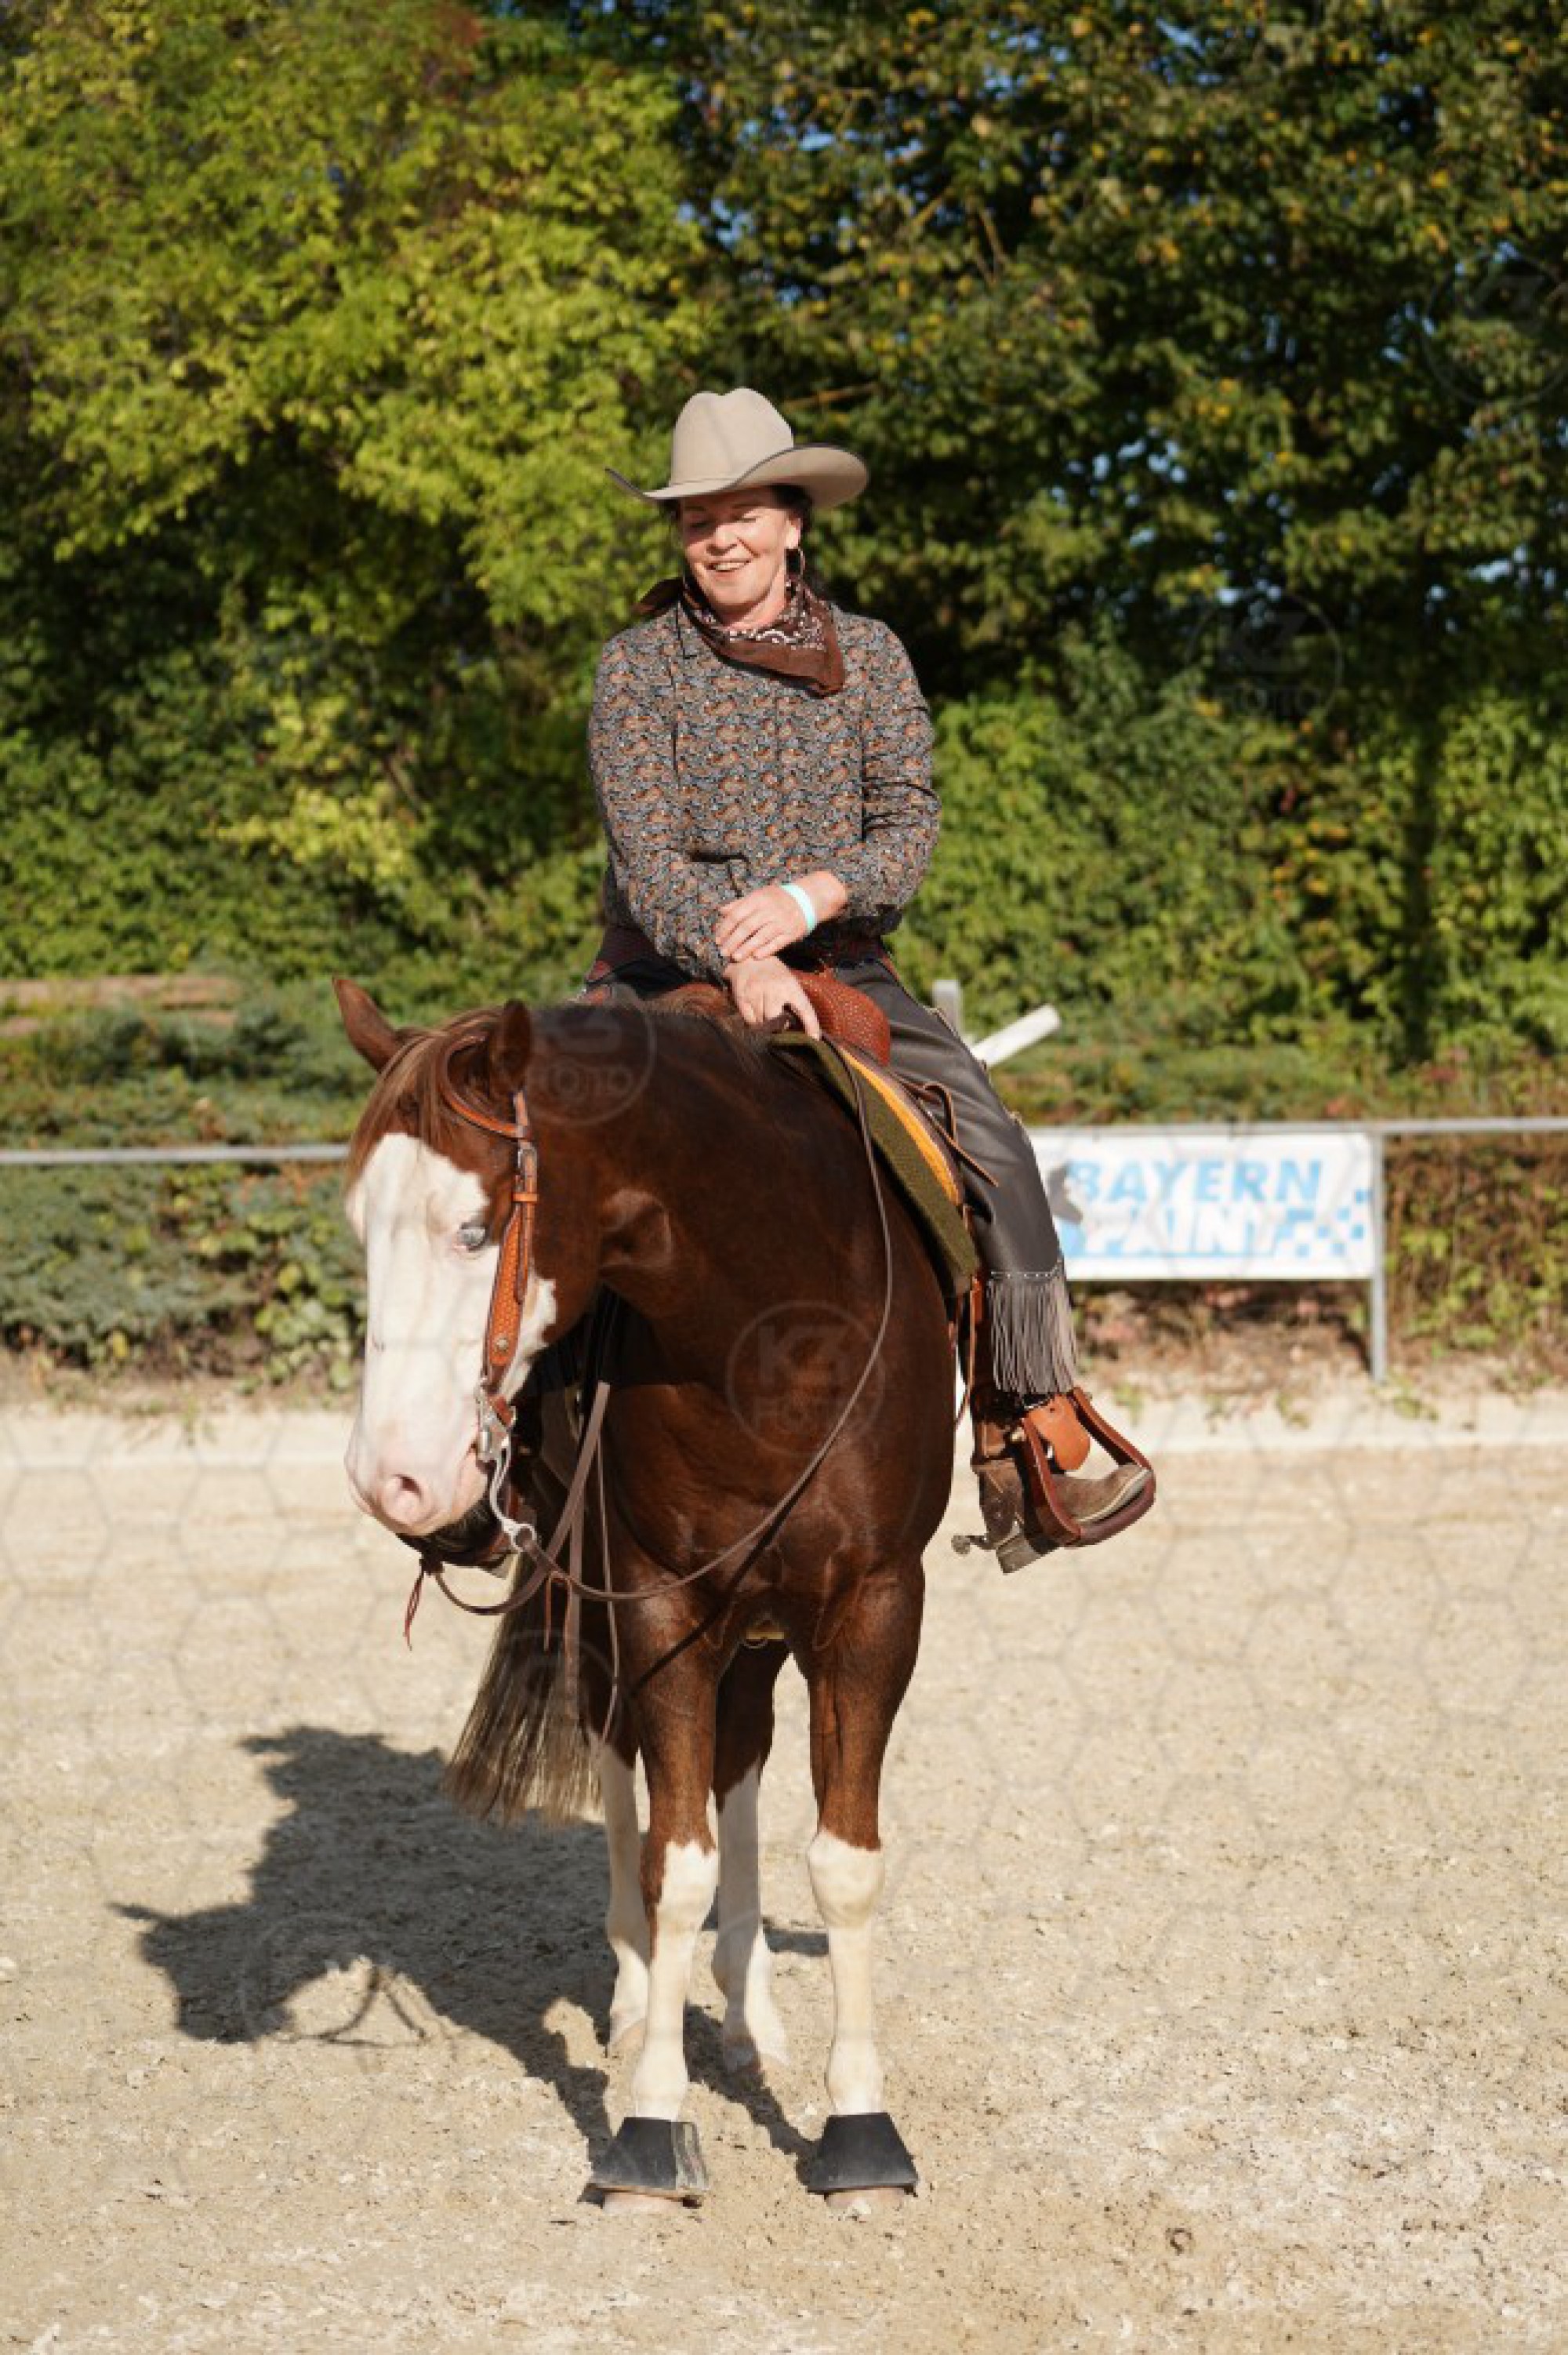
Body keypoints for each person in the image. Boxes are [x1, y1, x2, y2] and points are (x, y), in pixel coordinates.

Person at [583, 387, 1152, 1568]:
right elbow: (645, 857)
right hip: (664, 964)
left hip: (841, 959)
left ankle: (1027, 1432)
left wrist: (810, 899)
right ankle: (513, 1459)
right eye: (697, 518)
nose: (719, 538)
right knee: (559, 1151)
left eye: (742, 513)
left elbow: (908, 826)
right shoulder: (635, 669)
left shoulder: (875, 657)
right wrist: (735, 956)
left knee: (994, 1148)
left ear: (793, 521)